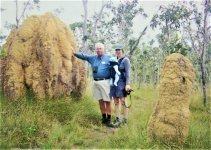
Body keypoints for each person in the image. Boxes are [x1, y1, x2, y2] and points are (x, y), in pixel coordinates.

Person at [73, 43, 113, 127]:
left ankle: (109, 120)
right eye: (97, 49)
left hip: (105, 82)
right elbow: (83, 56)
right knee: (100, 100)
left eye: (100, 48)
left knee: (107, 101)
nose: (98, 50)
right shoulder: (93, 58)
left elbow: (116, 68)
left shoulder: (109, 58)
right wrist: (74, 53)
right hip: (96, 82)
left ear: (103, 49)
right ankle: (103, 118)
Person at [110, 44, 131, 127]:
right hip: (114, 84)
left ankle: (125, 121)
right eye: (116, 50)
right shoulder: (114, 60)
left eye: (119, 50)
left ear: (122, 51)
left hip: (122, 83)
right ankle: (117, 119)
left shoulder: (125, 60)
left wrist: (128, 84)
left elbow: (128, 72)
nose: (118, 51)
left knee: (123, 102)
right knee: (116, 102)